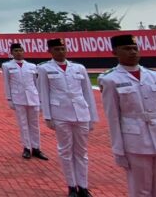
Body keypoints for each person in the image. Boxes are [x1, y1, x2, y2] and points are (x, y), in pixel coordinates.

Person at [99, 34, 156, 197]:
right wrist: (118, 149)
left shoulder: (155, 77)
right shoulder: (110, 79)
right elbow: (112, 117)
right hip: (135, 142)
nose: (132, 52)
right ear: (115, 53)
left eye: (135, 48)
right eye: (127, 49)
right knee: (140, 190)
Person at [37, 38, 98, 197]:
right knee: (65, 150)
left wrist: (92, 116)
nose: (61, 51)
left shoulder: (79, 68)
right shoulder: (44, 69)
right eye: (56, 49)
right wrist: (48, 116)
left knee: (81, 151)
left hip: (81, 112)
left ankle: (83, 186)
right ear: (50, 51)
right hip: (60, 114)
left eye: (63, 48)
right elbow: (44, 92)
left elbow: (87, 93)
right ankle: (71, 186)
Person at [1, 43, 48, 161]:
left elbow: (36, 83)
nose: (18, 52)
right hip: (18, 98)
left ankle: (36, 148)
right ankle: (27, 147)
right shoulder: (7, 66)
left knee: (35, 124)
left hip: (33, 97)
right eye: (16, 51)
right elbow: (6, 83)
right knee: (23, 124)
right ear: (11, 53)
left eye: (20, 50)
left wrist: (41, 99)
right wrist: (9, 98)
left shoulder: (32, 66)